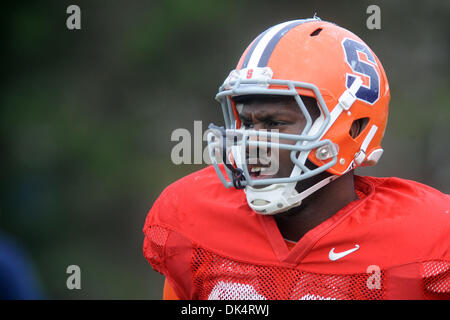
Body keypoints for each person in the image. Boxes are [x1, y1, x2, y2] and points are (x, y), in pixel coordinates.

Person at [143, 17, 449, 300]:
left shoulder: (427, 243)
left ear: (353, 128)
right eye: (248, 124)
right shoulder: (195, 218)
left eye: (275, 123)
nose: (252, 143)